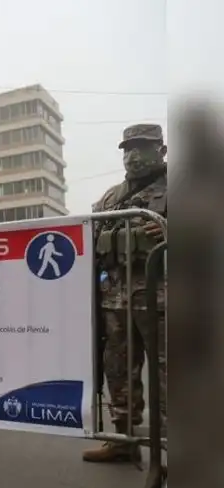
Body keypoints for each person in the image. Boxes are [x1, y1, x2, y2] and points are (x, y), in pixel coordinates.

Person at [84, 123, 168, 463]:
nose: (134, 155)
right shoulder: (109, 197)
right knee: (117, 369)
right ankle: (122, 439)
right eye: (128, 148)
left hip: (162, 297)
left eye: (143, 147)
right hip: (113, 299)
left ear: (162, 151)